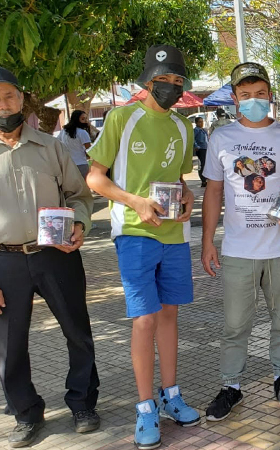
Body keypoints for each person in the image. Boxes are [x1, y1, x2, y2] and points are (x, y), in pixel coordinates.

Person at [85, 45, 200, 449]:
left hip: (174, 236)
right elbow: (95, 180)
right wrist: (134, 201)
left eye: (177, 82)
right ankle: (145, 408)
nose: (170, 88)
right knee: (145, 320)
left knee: (169, 316)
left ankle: (172, 395)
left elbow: (180, 180)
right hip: (134, 232)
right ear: (147, 80)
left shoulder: (183, 127)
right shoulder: (122, 118)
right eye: (163, 80)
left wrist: (186, 200)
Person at [0, 64, 99, 447]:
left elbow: (79, 196)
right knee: (8, 344)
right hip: (0, 263)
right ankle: (25, 413)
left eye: (9, 96)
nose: (3, 106)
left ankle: (83, 402)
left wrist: (81, 225)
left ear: (21, 98)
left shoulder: (51, 147)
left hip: (56, 254)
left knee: (77, 332)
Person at [200, 62, 280, 421]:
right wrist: (207, 241)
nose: (254, 100)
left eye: (260, 94)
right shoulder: (221, 138)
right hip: (238, 249)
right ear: (235, 99)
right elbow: (214, 191)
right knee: (235, 323)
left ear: (270, 97)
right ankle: (231, 385)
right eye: (246, 95)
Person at [56, 110, 92, 178]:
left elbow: (57, 142)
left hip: (67, 165)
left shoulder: (64, 131)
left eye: (86, 118)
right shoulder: (82, 132)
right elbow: (89, 150)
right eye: (83, 119)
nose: (86, 121)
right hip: (81, 164)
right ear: (76, 119)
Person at [193, 117, 208, 187]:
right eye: (199, 122)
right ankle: (203, 180)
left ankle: (206, 178)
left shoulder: (203, 130)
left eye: (202, 122)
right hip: (200, 149)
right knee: (203, 164)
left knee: (206, 163)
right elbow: (193, 138)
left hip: (205, 148)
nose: (201, 123)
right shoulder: (196, 130)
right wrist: (196, 146)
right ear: (196, 123)